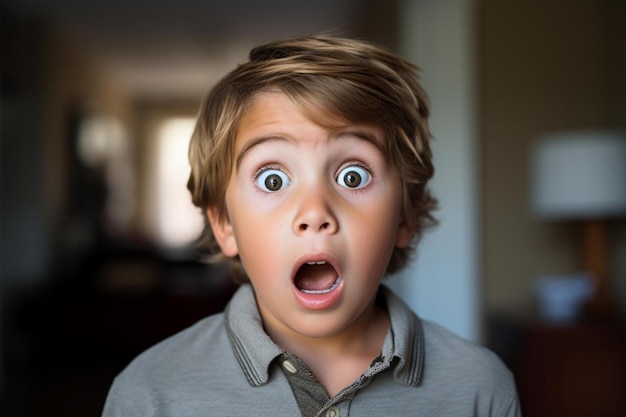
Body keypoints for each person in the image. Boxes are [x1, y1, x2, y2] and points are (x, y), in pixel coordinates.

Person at [102, 35, 520, 417]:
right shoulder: (151, 392)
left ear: (405, 217)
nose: (314, 211)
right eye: (273, 180)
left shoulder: (479, 389)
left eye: (352, 176)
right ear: (225, 224)